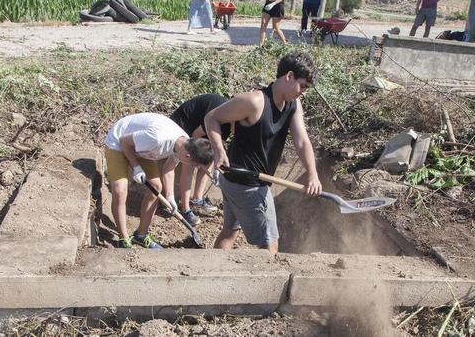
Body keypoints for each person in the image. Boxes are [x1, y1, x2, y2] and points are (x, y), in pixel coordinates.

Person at [204, 52, 322, 254]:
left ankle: (214, 271)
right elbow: (211, 118)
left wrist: (313, 174)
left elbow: (302, 141)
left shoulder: (293, 105)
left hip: (239, 180)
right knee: (269, 244)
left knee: (230, 231)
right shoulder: (255, 102)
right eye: (302, 85)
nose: (304, 92)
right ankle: (266, 285)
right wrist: (218, 150)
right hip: (247, 183)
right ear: (289, 76)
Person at [104, 112, 214, 248]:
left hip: (141, 148)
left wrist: (170, 196)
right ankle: (123, 238)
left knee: (156, 187)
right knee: (120, 190)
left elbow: (168, 168)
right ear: (187, 156)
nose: (192, 168)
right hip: (119, 143)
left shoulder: (183, 144)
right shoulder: (156, 139)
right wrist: (136, 167)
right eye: (193, 164)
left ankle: (141, 235)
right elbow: (124, 141)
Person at [170, 94, 232, 223]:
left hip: (199, 131)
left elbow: (214, 147)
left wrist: (215, 168)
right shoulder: (220, 114)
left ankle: (197, 199)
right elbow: (195, 136)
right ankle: (185, 209)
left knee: (207, 157)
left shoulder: (228, 125)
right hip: (184, 124)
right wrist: (198, 160)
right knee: (190, 164)